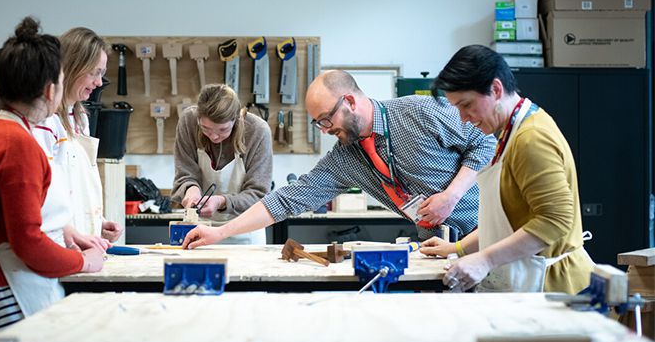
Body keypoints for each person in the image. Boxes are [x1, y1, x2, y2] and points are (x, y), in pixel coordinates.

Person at [181, 69, 495, 249]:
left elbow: (485, 142)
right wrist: (219, 233)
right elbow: (288, 199)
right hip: (436, 247)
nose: (325, 130)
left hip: (490, 233)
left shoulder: (418, 112)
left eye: (326, 120)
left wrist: (451, 196)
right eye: (318, 123)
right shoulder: (346, 158)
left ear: (349, 101)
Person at [0, 17, 105, 336]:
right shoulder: (17, 143)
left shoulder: (0, 131)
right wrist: (85, 262)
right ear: (50, 88)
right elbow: (27, 241)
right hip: (12, 293)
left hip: (6, 285)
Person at [420, 45, 594, 294]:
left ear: (496, 89)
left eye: (466, 105)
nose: (463, 118)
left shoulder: (531, 138)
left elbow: (555, 221)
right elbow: (507, 222)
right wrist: (456, 249)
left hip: (552, 286)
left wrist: (485, 259)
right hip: (527, 279)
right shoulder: (509, 134)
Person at [33, 27, 123, 243]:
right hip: (56, 243)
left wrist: (97, 222)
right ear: (72, 67)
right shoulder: (45, 120)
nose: (99, 82)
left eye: (102, 73)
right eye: (94, 72)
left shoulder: (80, 117)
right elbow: (42, 195)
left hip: (81, 243)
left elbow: (76, 185)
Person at [172, 83, 273, 244]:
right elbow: (185, 174)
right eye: (206, 128)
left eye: (222, 130)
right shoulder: (188, 122)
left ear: (237, 119)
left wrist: (221, 201)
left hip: (245, 232)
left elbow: (258, 194)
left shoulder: (257, 131)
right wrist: (191, 191)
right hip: (200, 230)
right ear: (198, 118)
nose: (214, 137)